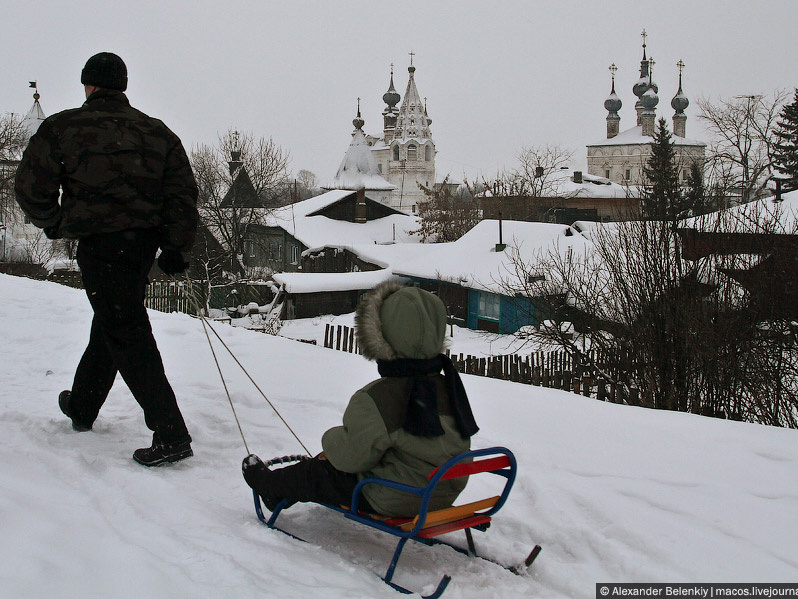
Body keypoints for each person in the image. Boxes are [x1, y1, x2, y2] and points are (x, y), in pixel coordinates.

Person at [15, 52, 199, 467]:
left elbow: (29, 187)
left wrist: (54, 222)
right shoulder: (158, 133)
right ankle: (83, 404)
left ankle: (171, 432)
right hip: (141, 247)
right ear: (123, 86)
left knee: (124, 326)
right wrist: (173, 245)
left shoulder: (63, 127)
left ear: (90, 85)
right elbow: (183, 195)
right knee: (115, 318)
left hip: (99, 243)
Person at [242, 281, 479, 517]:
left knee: (317, 472)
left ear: (381, 337)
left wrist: (332, 438)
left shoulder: (378, 398)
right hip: (442, 493)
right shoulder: (448, 387)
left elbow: (350, 458)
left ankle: (269, 486)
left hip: (396, 497)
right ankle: (282, 492)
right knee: (340, 462)